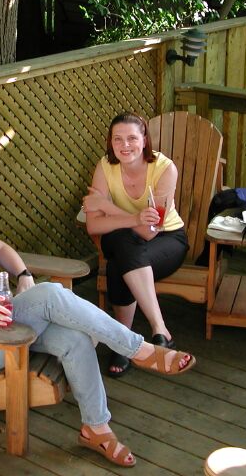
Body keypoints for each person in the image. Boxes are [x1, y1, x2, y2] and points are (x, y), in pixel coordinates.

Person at [0, 165, 196, 468]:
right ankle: (138, 349)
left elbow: (3, 250)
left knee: (75, 339)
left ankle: (96, 428)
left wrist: (24, 274)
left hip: (0, 323)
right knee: (51, 294)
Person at [83, 112, 190, 378]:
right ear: (110, 142)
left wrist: (107, 207)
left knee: (119, 260)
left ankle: (124, 342)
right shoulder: (105, 167)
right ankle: (159, 330)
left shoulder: (164, 169)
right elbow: (93, 226)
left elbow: (149, 233)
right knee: (121, 241)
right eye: (117, 139)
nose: (125, 145)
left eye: (132, 138)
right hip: (124, 238)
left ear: (144, 140)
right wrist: (134, 218)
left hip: (168, 240)